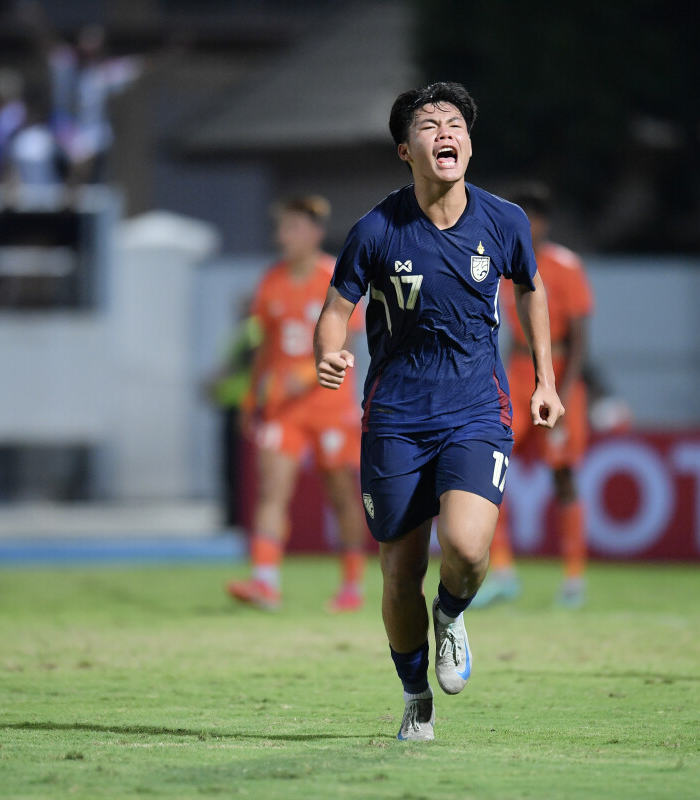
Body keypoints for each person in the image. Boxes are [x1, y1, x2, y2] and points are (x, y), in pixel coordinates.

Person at [313, 82, 563, 741]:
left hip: (477, 410)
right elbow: (335, 312)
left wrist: (545, 378)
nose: (445, 132)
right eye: (429, 125)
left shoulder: (504, 221)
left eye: (455, 123)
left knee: (468, 547)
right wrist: (329, 355)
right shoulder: (375, 229)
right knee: (399, 575)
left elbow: (531, 292)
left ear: (469, 144)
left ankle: (451, 616)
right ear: (407, 149)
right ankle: (415, 698)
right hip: (394, 418)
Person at [226, 195, 369, 613]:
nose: (283, 237)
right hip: (282, 409)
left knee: (341, 494)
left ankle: (352, 585)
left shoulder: (334, 277)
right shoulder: (270, 281)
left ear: (314, 232)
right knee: (272, 489)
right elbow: (266, 351)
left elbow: (350, 342)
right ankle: (265, 582)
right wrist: (251, 398)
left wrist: (306, 375)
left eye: (292, 228)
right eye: (281, 228)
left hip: (328, 406)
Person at [474, 183, 595, 609]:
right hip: (518, 375)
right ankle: (503, 572)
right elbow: (510, 334)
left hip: (557, 375)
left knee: (562, 476)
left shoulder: (564, 266)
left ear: (542, 223)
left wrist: (562, 389)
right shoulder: (503, 266)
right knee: (491, 469)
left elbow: (579, 339)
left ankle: (574, 578)